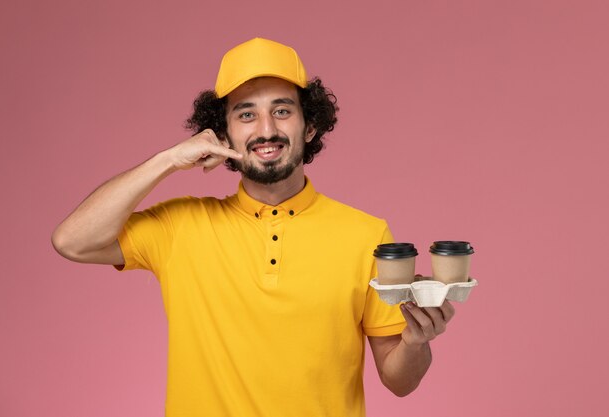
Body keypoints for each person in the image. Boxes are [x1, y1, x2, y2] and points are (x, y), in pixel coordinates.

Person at [52, 38, 455, 417]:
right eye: (246, 114)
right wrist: (168, 160)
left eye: (282, 110)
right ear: (223, 133)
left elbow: (400, 381)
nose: (265, 129)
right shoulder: (180, 225)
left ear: (309, 126)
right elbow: (73, 241)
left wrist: (417, 343)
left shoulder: (366, 235)